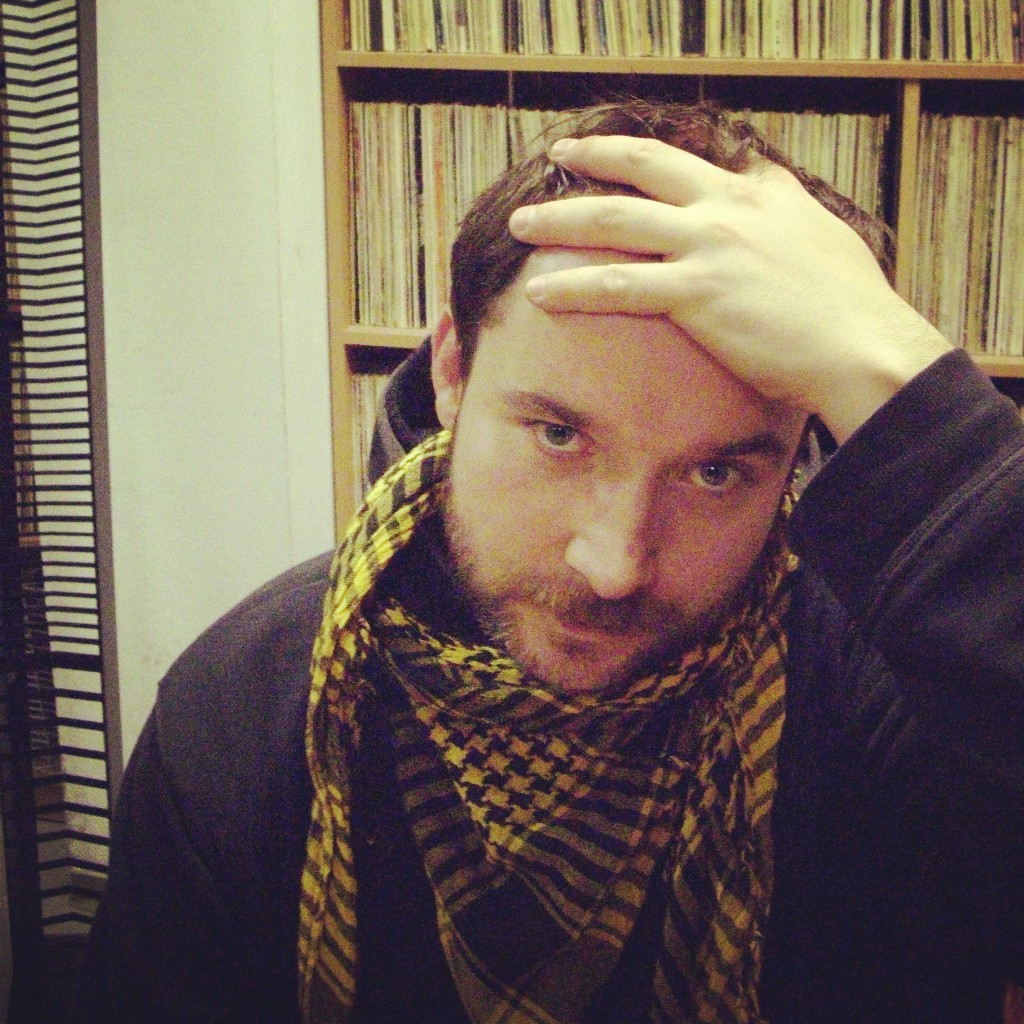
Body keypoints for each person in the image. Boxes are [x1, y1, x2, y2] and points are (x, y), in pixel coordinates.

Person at [73, 100, 1024, 1024]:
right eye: (559, 434)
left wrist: (901, 378)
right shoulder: (244, 713)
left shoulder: (892, 698)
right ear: (453, 370)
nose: (615, 566)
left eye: (716, 472)